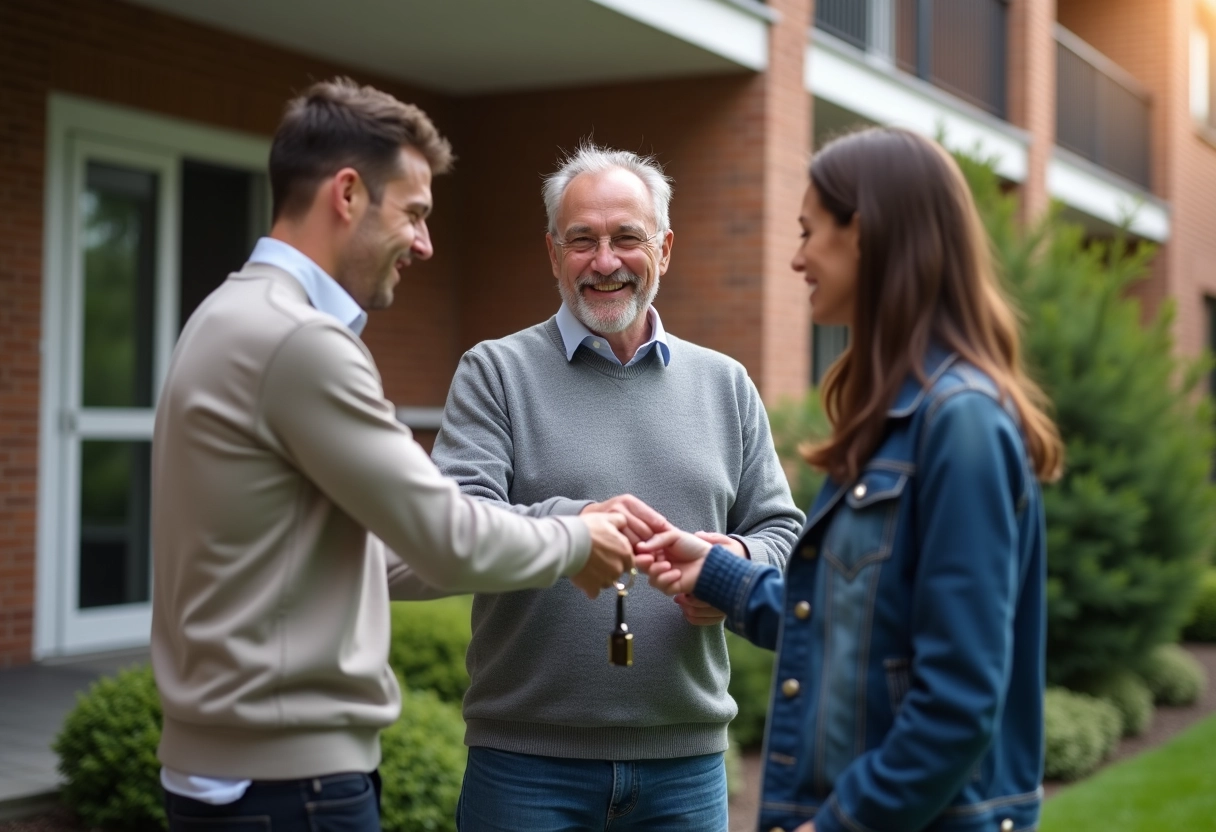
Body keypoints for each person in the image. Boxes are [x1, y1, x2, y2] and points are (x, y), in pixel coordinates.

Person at [149, 79, 635, 832]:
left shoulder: (224, 314)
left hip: (233, 773)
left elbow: (378, 549)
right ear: (347, 194)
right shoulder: (300, 341)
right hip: (289, 783)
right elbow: (442, 529)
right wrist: (579, 539)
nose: (425, 242)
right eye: (413, 212)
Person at [637, 127, 1064, 832]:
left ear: (862, 233)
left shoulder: (961, 423)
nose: (798, 257)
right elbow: (850, 626)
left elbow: (957, 703)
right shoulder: (896, 414)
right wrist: (715, 573)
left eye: (810, 232)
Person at [430, 143, 805, 831]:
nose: (605, 261)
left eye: (626, 238)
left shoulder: (726, 384)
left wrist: (728, 569)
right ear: (553, 254)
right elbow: (456, 524)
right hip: (525, 765)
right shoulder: (495, 373)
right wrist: (578, 526)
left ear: (664, 249)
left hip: (687, 769)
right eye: (582, 241)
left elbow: (786, 535)